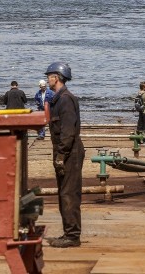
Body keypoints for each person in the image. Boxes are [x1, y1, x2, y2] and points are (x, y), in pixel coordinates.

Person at [45, 61, 84, 248]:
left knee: (68, 193)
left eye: (49, 76)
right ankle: (69, 232)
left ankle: (72, 236)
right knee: (64, 192)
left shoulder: (65, 99)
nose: (47, 80)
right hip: (65, 149)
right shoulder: (59, 98)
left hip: (70, 151)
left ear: (56, 78)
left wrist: (61, 154)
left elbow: (68, 131)